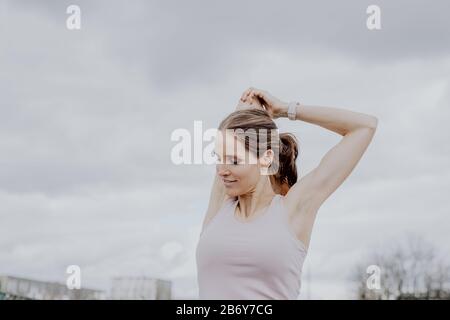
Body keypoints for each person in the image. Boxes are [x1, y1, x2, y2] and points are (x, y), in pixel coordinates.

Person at [196, 87, 378, 299]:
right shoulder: (220, 205)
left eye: (234, 161)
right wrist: (241, 115)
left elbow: (364, 126)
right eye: (219, 158)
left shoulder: (292, 209)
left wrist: (286, 109)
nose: (221, 170)